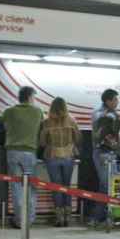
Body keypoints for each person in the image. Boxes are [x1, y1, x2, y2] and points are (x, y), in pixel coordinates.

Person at [0, 86, 44, 229]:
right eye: (34, 97)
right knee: (31, 188)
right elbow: (44, 125)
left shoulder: (9, 111)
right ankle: (29, 220)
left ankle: (19, 221)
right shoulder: (38, 111)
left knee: (16, 187)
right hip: (30, 153)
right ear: (29, 97)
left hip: (12, 152)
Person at [38, 97, 81, 227]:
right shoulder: (72, 120)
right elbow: (78, 139)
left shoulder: (46, 122)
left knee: (56, 187)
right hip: (68, 155)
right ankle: (68, 217)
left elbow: (42, 142)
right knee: (66, 187)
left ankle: (59, 218)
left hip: (52, 156)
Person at [92, 89, 120, 226]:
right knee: (106, 185)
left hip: (111, 152)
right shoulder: (99, 113)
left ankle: (105, 216)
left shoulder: (115, 114)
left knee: (111, 185)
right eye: (115, 99)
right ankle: (98, 217)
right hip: (102, 152)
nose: (117, 102)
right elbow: (99, 124)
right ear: (107, 101)